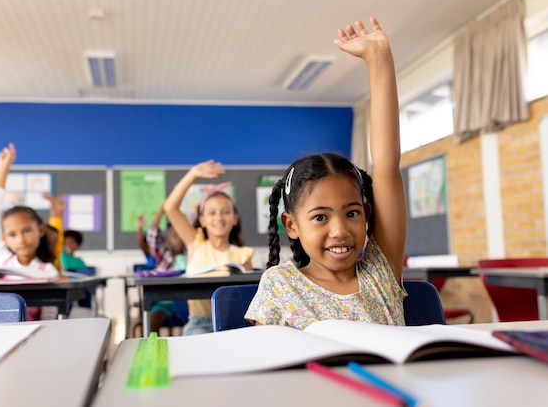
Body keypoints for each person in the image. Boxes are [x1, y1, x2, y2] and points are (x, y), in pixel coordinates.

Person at [245, 17, 407, 330]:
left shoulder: (379, 267)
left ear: (367, 213)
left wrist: (379, 58)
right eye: (320, 217)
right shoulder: (280, 285)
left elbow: (386, 164)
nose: (340, 230)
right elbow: (267, 362)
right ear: (291, 225)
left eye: (351, 213)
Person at [164, 160, 255, 335]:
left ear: (235, 218)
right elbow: (170, 207)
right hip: (200, 324)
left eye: (226, 212)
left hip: (235, 323)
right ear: (203, 220)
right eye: (211, 213)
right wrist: (193, 174)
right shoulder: (195, 243)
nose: (219, 218)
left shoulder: (243, 255)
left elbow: (248, 299)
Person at [0, 143, 59, 320]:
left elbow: (51, 316)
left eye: (26, 230)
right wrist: (3, 168)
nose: (20, 239)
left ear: (40, 230)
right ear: (4, 238)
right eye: (12, 234)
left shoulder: (48, 271)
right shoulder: (1, 259)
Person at [137, 202, 187, 334]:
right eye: (174, 236)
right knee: (153, 322)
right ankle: (152, 351)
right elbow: (152, 233)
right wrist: (162, 209)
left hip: (189, 303)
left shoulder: (193, 255)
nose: (179, 239)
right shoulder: (164, 255)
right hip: (165, 304)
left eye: (182, 234)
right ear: (167, 239)